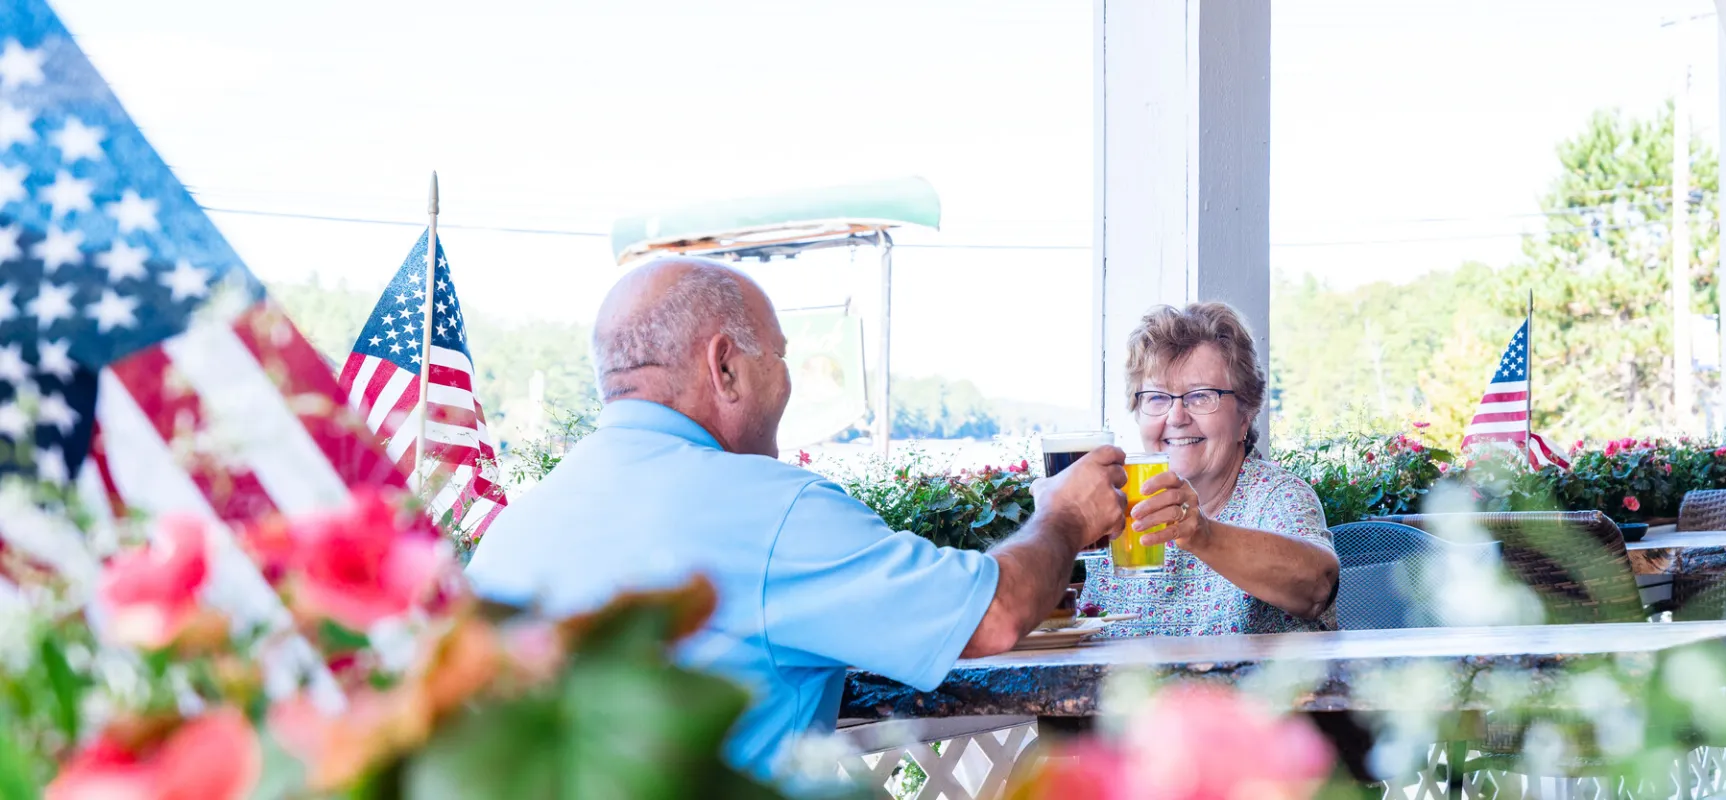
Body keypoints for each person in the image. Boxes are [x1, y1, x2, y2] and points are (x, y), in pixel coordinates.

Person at [464, 257, 1125, 781]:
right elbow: (994, 613)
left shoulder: (513, 532)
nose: (789, 386)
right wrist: (1064, 512)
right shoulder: (770, 510)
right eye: (779, 358)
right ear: (725, 366)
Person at [1081, 302, 1340, 637]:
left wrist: (1202, 532)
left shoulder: (1275, 496)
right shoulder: (1119, 507)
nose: (1176, 417)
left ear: (1245, 415)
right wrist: (1055, 526)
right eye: (1157, 398)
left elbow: (1317, 586)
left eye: (1201, 397)